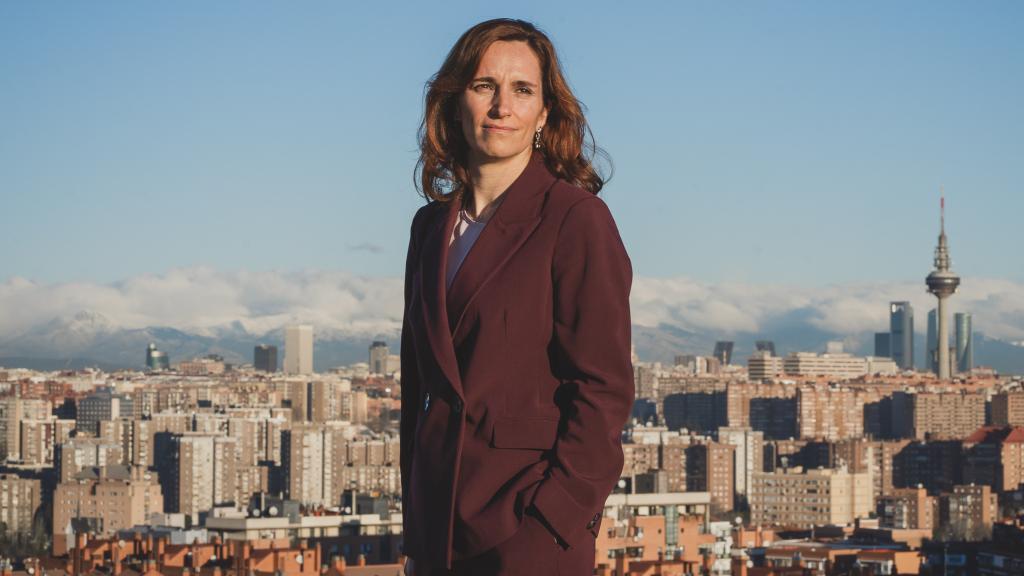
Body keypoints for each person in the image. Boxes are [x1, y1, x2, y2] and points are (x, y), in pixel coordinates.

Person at [401, 18, 633, 576]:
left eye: (522, 90)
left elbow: (603, 389)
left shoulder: (575, 220)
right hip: (440, 529)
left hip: (527, 530)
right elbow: (416, 386)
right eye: (485, 86)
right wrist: (416, 532)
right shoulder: (429, 228)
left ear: (545, 113)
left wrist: (554, 516)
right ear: (455, 103)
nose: (502, 105)